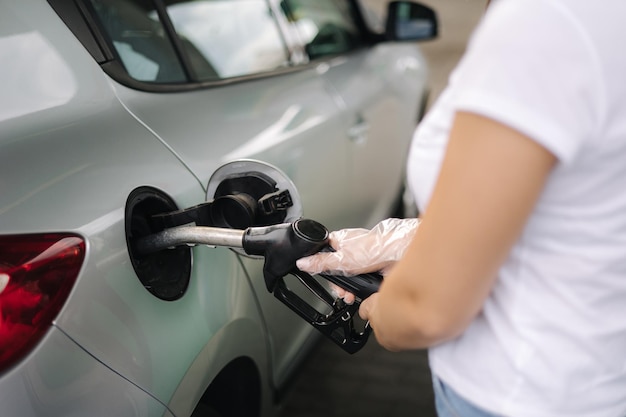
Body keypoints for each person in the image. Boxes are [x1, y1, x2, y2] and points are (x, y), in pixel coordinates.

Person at [296, 0, 626, 416]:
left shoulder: (546, 21)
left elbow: (426, 310)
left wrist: (381, 307)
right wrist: (419, 239)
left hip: (513, 394)